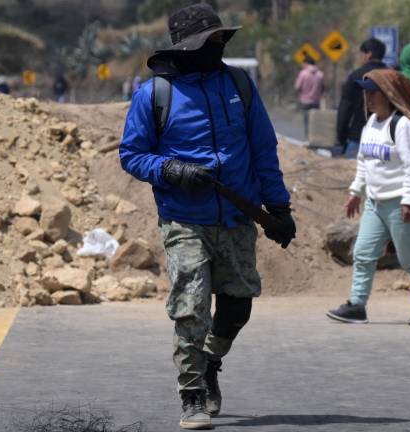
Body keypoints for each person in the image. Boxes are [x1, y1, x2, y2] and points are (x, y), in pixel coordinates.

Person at [119, 3, 295, 429]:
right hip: (184, 220)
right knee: (190, 308)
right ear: (187, 47)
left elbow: (263, 150)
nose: (218, 46)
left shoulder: (240, 85)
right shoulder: (154, 95)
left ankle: (211, 361)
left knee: (237, 307)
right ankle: (193, 394)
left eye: (220, 39)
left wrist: (279, 207)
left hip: (237, 217)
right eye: (209, 41)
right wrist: (170, 169)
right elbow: (132, 154)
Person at [327, 69, 410, 326]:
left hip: (400, 204)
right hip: (375, 203)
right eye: (366, 93)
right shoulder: (371, 123)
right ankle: (356, 305)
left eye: (373, 93)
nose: (368, 98)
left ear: (389, 94)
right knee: (363, 253)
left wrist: (409, 201)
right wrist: (356, 193)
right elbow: (364, 162)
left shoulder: (404, 126)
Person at [336, 38, 388, 157]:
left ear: (368, 54)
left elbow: (345, 110)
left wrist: (341, 137)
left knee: (354, 169)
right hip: (386, 141)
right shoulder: (392, 76)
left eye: (361, 54)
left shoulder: (356, 76)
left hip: (358, 139)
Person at [293, 56, 324, 137]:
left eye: (303, 64)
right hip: (316, 101)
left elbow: (297, 87)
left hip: (305, 101)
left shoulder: (303, 73)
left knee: (307, 121)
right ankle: (315, 137)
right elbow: (322, 88)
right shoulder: (320, 74)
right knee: (315, 122)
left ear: (306, 63)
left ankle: (308, 137)